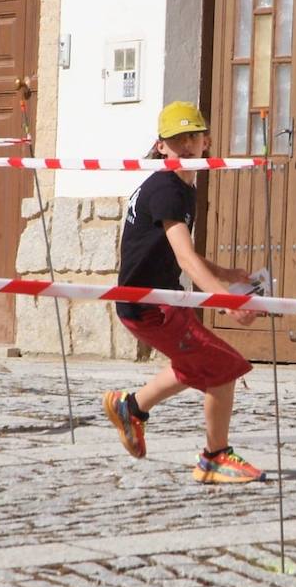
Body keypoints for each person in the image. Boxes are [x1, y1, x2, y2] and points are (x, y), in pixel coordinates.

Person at [102, 101, 265, 484]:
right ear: (162, 146)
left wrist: (225, 274)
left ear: (206, 140)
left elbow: (178, 251)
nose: (188, 146)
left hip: (160, 301)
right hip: (150, 307)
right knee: (223, 366)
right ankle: (215, 458)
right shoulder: (166, 187)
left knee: (193, 364)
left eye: (194, 137)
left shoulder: (178, 185)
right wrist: (225, 301)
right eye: (179, 140)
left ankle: (131, 408)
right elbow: (185, 257)